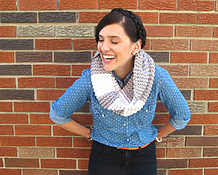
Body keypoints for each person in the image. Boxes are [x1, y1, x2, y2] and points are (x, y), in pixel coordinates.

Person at [49, 8, 190, 175]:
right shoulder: (91, 79)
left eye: (114, 41)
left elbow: (182, 115)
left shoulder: (156, 76)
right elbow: (58, 114)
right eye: (101, 40)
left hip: (144, 158)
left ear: (136, 46)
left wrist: (158, 135)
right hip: (103, 158)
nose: (103, 47)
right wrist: (89, 134)